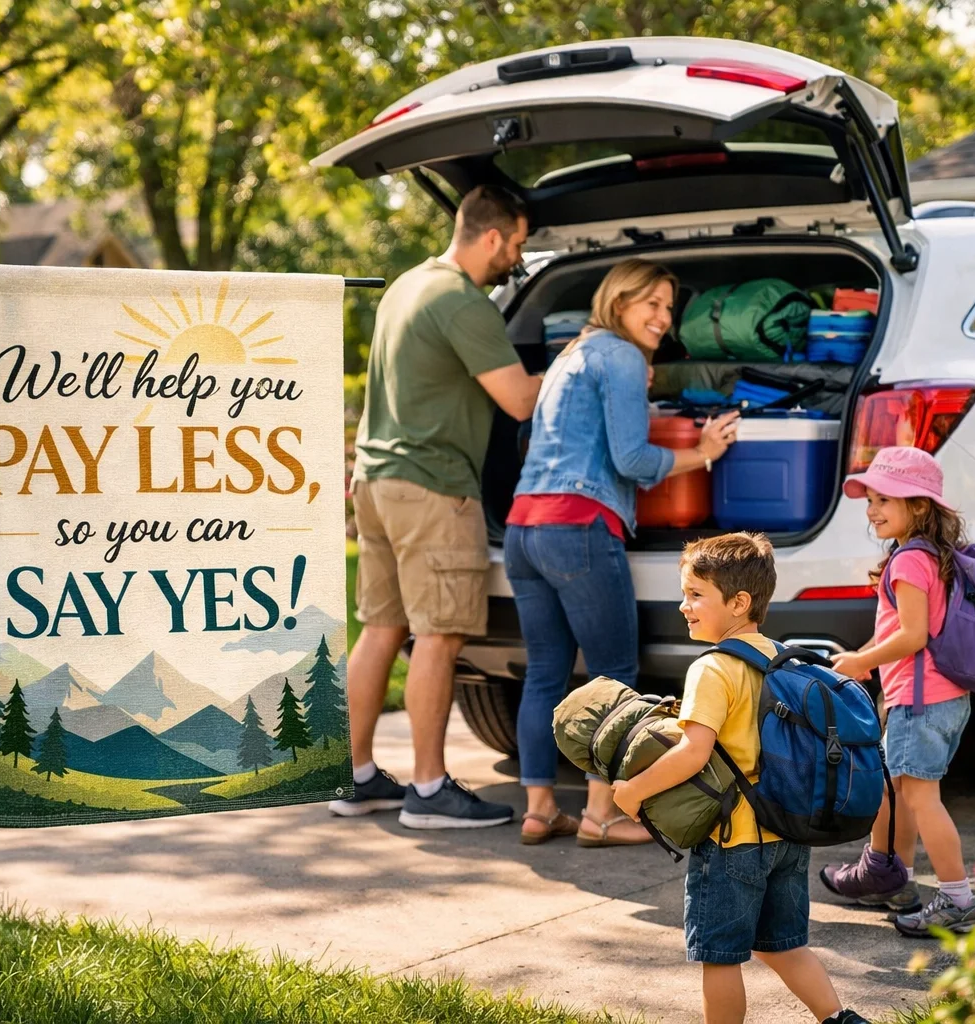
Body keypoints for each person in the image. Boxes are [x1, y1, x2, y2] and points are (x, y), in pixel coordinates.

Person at [505, 259, 740, 847]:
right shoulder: (622, 356)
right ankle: (601, 815)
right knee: (614, 676)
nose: (663, 317)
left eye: (668, 306)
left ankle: (539, 811)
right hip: (579, 527)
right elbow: (633, 459)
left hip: (523, 527)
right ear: (619, 300)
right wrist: (704, 452)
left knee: (545, 674)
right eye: (651, 303)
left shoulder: (571, 353)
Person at [335, 185, 541, 829]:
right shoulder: (462, 301)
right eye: (518, 243)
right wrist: (579, 357)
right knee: (439, 633)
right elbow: (520, 402)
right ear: (491, 237)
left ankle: (358, 775)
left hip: (375, 481)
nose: (519, 256)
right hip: (432, 487)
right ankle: (428, 791)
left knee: (381, 628)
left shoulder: (406, 286)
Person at [610, 533, 866, 1024]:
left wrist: (634, 791)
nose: (684, 606)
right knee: (784, 946)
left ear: (739, 602)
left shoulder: (713, 668)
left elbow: (693, 752)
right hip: (787, 833)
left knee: (721, 957)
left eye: (696, 595)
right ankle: (840, 1020)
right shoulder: (780, 656)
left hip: (733, 841)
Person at [819, 446, 975, 936]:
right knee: (897, 792)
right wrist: (865, 656)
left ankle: (958, 900)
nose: (872, 510)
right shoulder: (928, 555)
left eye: (884, 500)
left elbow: (914, 637)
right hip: (938, 696)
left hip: (921, 702)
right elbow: (906, 628)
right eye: (870, 500)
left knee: (919, 798)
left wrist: (862, 661)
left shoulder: (910, 562)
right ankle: (894, 880)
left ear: (918, 506)